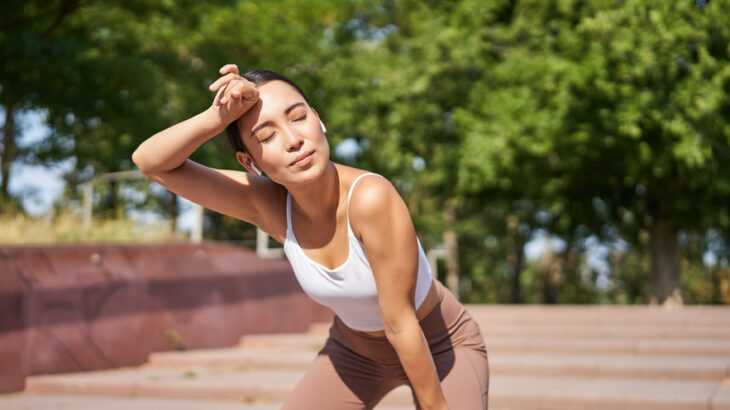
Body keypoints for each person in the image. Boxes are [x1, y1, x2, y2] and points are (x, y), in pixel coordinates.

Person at [131, 64, 489, 410]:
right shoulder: (267, 206)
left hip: (440, 343)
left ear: (319, 120)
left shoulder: (371, 197)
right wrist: (218, 117)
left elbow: (399, 320)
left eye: (299, 117)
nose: (293, 140)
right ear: (248, 162)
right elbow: (151, 162)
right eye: (267, 136)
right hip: (354, 354)